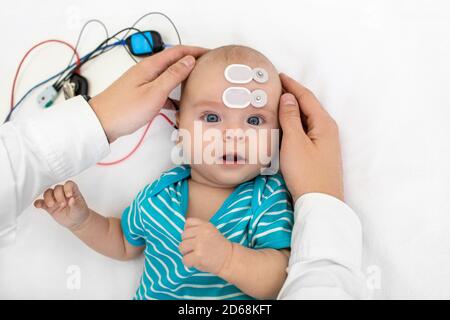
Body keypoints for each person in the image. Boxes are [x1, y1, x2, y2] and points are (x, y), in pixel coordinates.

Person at [0, 44, 365, 299]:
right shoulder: (159, 193)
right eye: (211, 117)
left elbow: (278, 279)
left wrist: (228, 259)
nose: (232, 134)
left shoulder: (265, 198)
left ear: (276, 137)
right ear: (179, 128)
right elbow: (125, 242)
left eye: (254, 120)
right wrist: (82, 221)